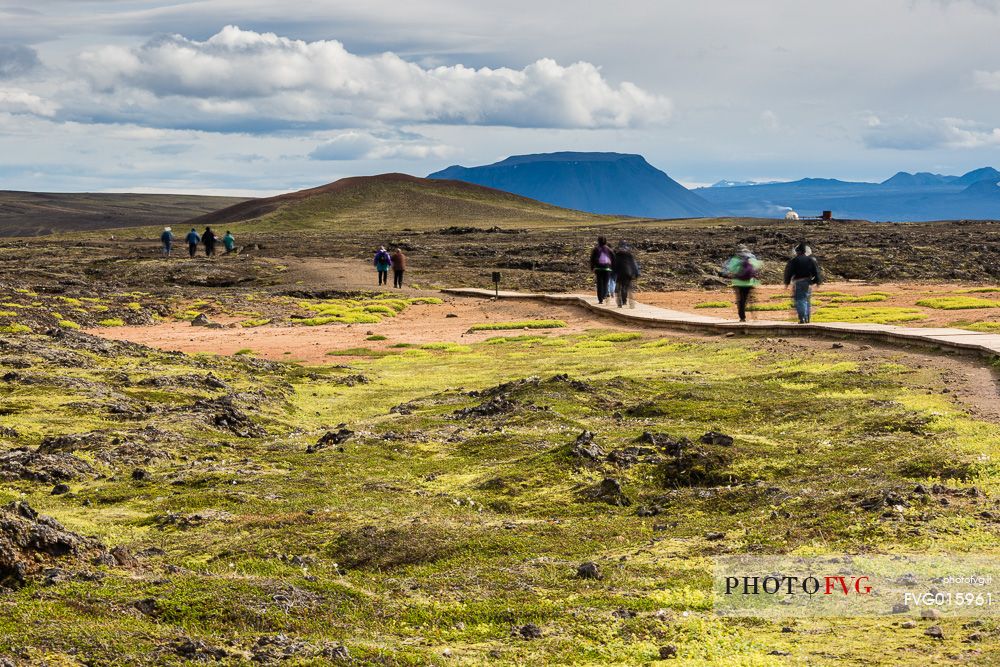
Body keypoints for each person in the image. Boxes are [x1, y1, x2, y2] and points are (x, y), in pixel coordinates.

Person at [722, 245, 763, 322]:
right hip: (749, 282)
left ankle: (742, 317)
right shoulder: (751, 258)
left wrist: (728, 273)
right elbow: (758, 266)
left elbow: (730, 269)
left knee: (740, 300)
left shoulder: (735, 259)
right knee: (749, 299)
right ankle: (754, 316)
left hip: (738, 283)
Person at [784, 242, 822, 323]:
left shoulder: (794, 260)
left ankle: (802, 318)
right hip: (808, 282)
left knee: (800, 300)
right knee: (807, 300)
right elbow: (816, 272)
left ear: (798, 251)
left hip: (799, 282)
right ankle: (807, 318)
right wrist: (816, 281)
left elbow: (789, 272)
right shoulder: (811, 260)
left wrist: (787, 282)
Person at [613, 241, 640, 309]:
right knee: (629, 288)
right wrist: (636, 273)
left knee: (619, 288)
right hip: (628, 273)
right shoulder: (629, 255)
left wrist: (613, 274)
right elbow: (634, 265)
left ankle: (619, 304)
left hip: (620, 273)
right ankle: (631, 303)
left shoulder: (617, 255)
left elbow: (614, 266)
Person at [589, 236, 616, 304]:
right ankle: (604, 296)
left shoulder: (595, 249)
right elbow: (613, 259)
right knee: (605, 283)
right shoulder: (609, 249)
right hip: (607, 269)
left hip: (598, 269)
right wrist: (612, 267)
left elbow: (592, 259)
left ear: (598, 241)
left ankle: (600, 299)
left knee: (599, 284)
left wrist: (592, 268)